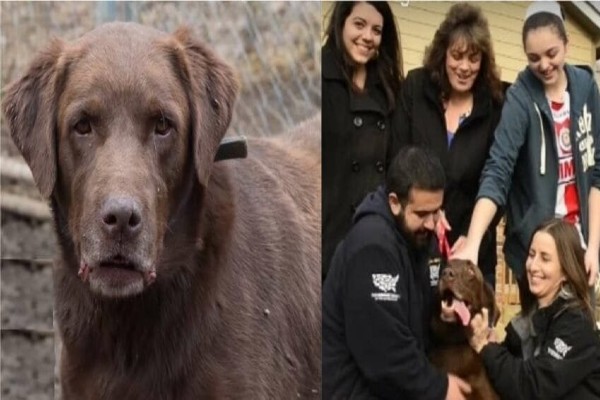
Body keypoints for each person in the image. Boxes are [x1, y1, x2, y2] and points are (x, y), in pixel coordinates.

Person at [452, 0, 600, 311]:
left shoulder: (586, 87)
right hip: (538, 251)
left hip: (579, 246)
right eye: (533, 58)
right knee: (539, 341)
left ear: (567, 45)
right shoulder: (520, 98)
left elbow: (596, 171)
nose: (544, 65)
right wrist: (474, 242)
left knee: (578, 340)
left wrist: (594, 248)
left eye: (551, 54)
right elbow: (498, 171)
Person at [322, 146, 471, 400]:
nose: (431, 223)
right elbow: (384, 353)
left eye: (436, 211)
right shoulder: (372, 248)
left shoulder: (419, 238)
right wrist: (440, 388)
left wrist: (444, 310)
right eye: (422, 214)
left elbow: (420, 307)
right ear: (394, 203)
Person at [396, 2, 505, 289]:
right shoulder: (416, 87)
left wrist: (475, 234)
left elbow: (498, 179)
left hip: (469, 250)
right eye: (457, 56)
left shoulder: (494, 106)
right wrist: (428, 207)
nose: (465, 67)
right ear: (443, 52)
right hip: (415, 246)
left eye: (474, 58)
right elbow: (398, 157)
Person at [469, 218, 600, 399]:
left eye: (545, 258)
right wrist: (492, 345)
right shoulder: (529, 318)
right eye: (531, 255)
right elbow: (508, 368)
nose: (533, 266)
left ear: (565, 270)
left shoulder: (576, 324)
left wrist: (487, 349)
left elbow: (532, 386)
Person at [322, 1, 403, 279]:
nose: (368, 36)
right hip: (326, 235)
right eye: (359, 24)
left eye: (377, 30)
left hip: (373, 234)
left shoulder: (389, 90)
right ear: (341, 23)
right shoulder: (320, 78)